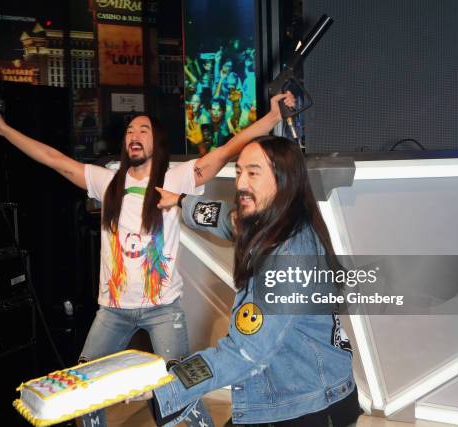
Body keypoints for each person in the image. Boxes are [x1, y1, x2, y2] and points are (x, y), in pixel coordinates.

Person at [0, 92, 296, 427]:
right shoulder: (108, 182)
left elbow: (228, 149)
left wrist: (273, 116)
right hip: (113, 311)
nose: (134, 135)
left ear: (156, 141)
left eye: (143, 130)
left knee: (175, 395)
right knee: (82, 395)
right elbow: (53, 159)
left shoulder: (175, 177)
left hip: (162, 308)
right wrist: (3, 130)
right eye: (130, 130)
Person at [145, 136, 361, 426]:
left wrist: (170, 385)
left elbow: (245, 352)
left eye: (253, 173)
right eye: (238, 172)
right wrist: (181, 202)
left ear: (284, 180)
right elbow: (227, 220)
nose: (241, 183)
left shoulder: (287, 255)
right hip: (302, 392)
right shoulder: (276, 219)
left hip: (310, 407)